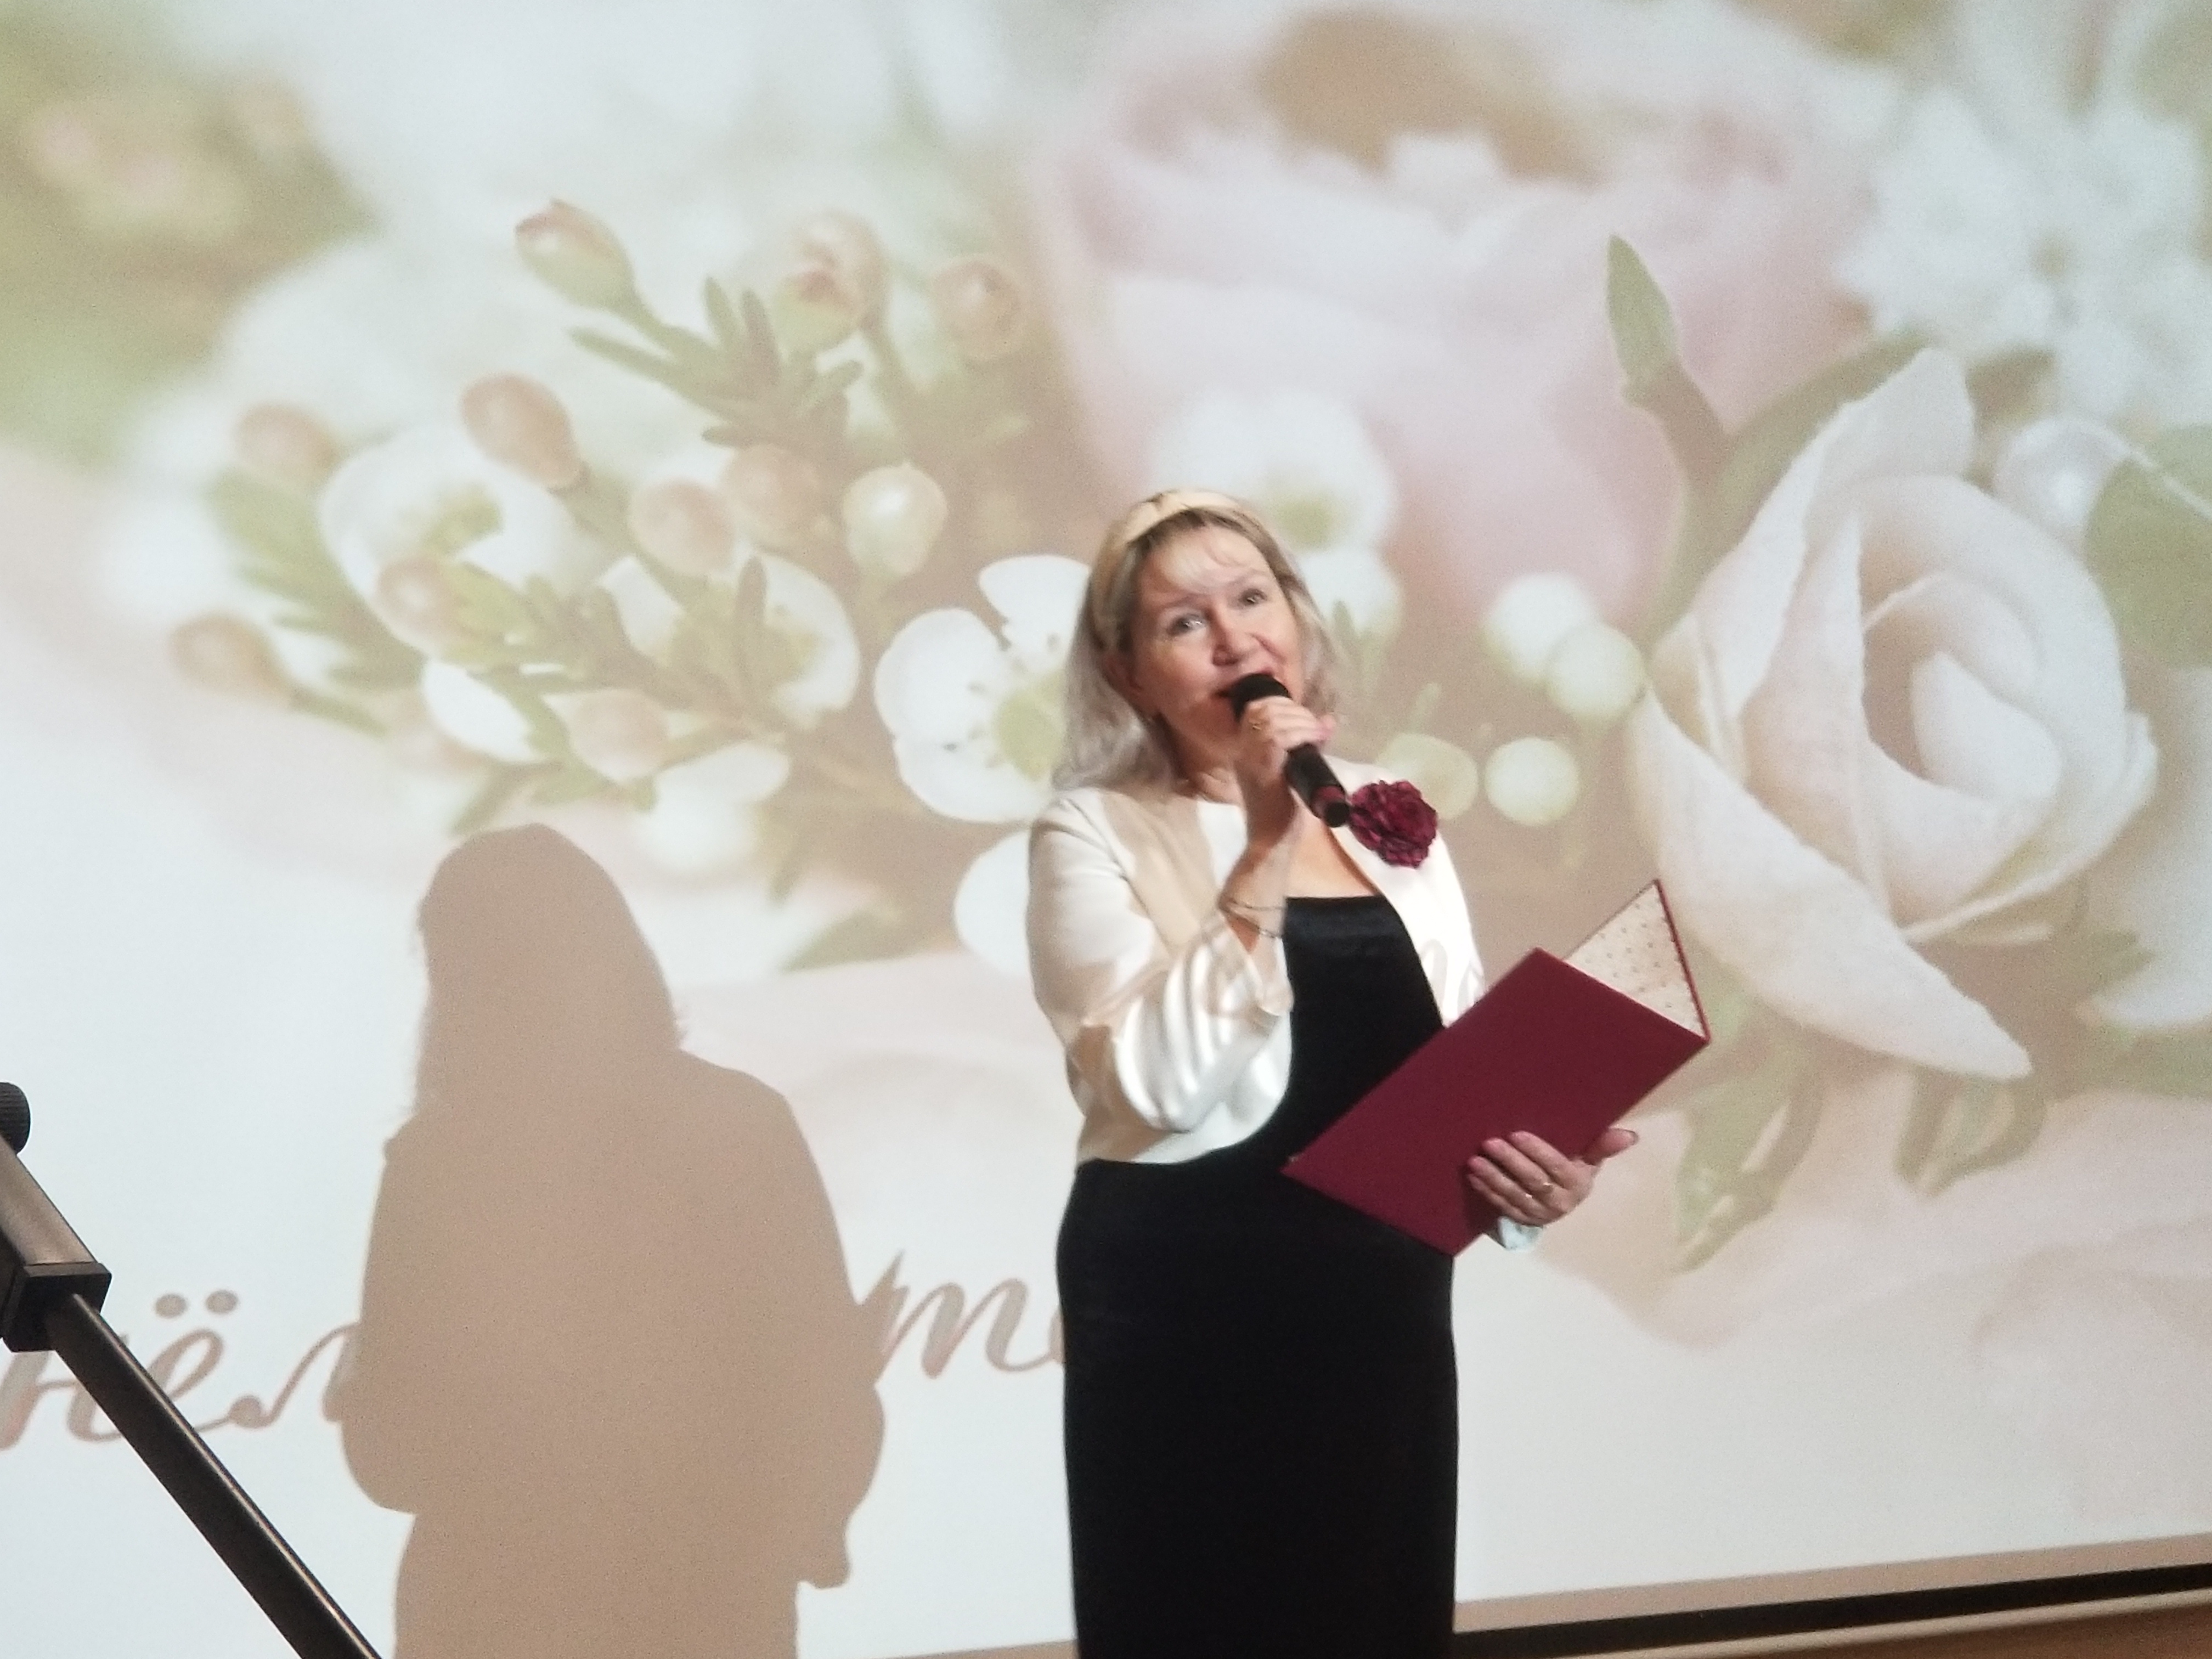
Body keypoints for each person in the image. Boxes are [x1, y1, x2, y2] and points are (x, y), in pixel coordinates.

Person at [1026, 490, 1636, 1658]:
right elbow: (1153, 1085)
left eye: (1253, 598)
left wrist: (1533, 1178)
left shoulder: (1389, 819)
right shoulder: (1091, 831)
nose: (1234, 638)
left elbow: (1454, 1067)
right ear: (1128, 672)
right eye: (1184, 622)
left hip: (1374, 1299)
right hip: (1184, 1302)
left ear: (1298, 623)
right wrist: (1264, 845)